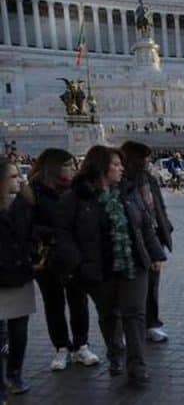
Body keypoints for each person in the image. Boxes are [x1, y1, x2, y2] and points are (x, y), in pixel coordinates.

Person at [52, 146, 166, 385]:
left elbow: (145, 224)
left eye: (121, 164)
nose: (121, 168)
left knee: (134, 314)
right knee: (109, 314)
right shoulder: (75, 197)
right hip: (98, 267)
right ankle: (115, 353)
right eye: (115, 164)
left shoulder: (128, 191)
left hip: (133, 263)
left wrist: (155, 255)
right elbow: (63, 234)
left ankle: (137, 366)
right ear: (101, 167)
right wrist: (78, 263)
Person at [20, 149, 100, 371]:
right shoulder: (32, 192)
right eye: (68, 165)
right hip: (47, 256)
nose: (73, 170)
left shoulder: (77, 191)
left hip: (73, 255)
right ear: (54, 168)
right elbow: (27, 225)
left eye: (74, 165)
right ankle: (61, 347)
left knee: (78, 300)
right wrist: (54, 233)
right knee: (53, 302)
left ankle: (81, 344)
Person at [121, 141, 173, 344]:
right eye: (144, 159)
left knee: (152, 285)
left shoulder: (149, 180)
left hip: (153, 237)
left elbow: (159, 206)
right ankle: (130, 328)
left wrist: (165, 227)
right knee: (131, 288)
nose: (147, 162)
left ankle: (152, 323)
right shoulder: (123, 183)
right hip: (132, 240)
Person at [0, 157, 34, 398]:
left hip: (20, 274)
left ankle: (14, 373)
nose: (20, 179)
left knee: (19, 331)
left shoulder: (25, 204)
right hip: (2, 275)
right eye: (13, 176)